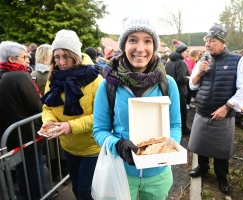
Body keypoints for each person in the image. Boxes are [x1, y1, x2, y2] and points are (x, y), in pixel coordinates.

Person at [93, 15, 181, 200]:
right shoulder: (108, 84)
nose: (140, 49)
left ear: (154, 46)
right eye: (133, 40)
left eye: (147, 41)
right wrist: (117, 145)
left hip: (158, 175)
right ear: (123, 45)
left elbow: (175, 125)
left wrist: (166, 149)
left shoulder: (168, 84)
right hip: (121, 173)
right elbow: (99, 130)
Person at [40, 29, 103, 200]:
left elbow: (101, 116)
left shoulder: (95, 79)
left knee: (85, 191)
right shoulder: (53, 78)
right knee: (76, 189)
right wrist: (50, 121)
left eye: (66, 56)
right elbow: (47, 107)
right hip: (68, 147)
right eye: (57, 56)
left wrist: (71, 126)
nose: (61, 62)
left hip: (92, 148)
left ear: (76, 54)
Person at [188, 24, 243, 194]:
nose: (208, 44)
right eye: (206, 41)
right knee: (201, 145)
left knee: (221, 149)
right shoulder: (203, 60)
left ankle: (221, 176)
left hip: (224, 115)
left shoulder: (237, 60)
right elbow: (192, 85)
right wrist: (199, 72)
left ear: (222, 42)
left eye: (212, 40)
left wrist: (227, 107)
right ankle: (203, 167)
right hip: (202, 111)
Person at [0, 41, 47, 200]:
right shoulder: (20, 75)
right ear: (12, 60)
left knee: (21, 168)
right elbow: (36, 105)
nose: (28, 60)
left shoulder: (4, 75)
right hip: (28, 134)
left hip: (10, 135)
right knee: (34, 169)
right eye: (24, 57)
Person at [165, 39, 191, 135]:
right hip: (180, 91)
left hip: (169, 91)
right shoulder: (181, 62)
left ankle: (172, 129)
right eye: (186, 51)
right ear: (181, 51)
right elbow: (181, 78)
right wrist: (191, 79)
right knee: (182, 111)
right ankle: (184, 129)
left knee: (172, 112)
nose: (187, 53)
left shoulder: (168, 62)